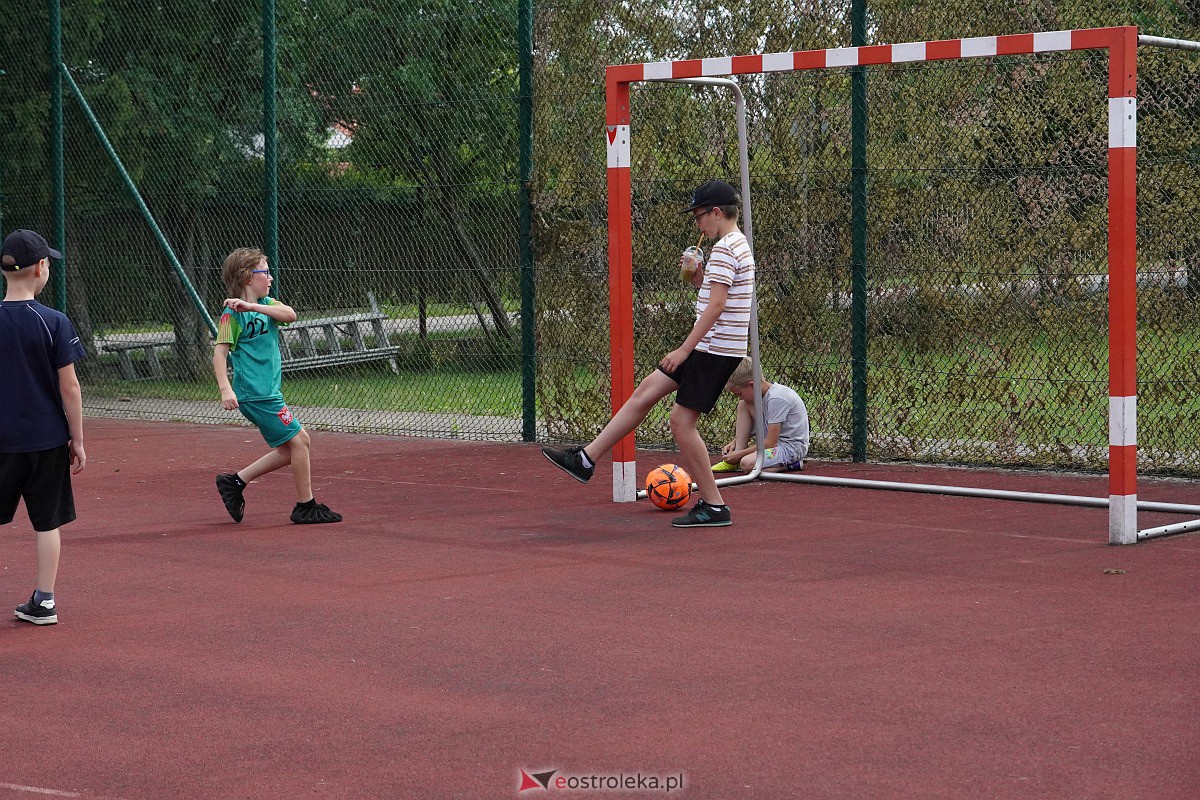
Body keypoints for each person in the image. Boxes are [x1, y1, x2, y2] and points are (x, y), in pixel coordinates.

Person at [542, 180, 755, 527]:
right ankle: (586, 458)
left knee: (681, 423)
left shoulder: (727, 248)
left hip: (713, 349)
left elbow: (717, 308)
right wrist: (698, 278)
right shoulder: (732, 246)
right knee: (646, 391)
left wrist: (684, 350)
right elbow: (718, 296)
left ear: (717, 212)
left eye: (699, 215)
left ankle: (715, 504)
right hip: (710, 346)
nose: (697, 223)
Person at [212, 247, 341, 525]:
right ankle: (305, 505)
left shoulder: (267, 304)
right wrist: (226, 389)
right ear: (248, 276)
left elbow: (291, 314)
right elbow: (219, 354)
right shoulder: (231, 315)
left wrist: (253, 305)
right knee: (300, 441)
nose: (270, 278)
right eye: (265, 273)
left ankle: (235, 482)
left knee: (290, 448)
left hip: (268, 393)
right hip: (255, 395)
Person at [1, 230, 86, 625]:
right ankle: (45, 601)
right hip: (48, 440)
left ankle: (43, 603)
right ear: (40, 269)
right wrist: (78, 440)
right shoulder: (53, 321)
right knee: (46, 521)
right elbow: (69, 386)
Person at [710, 357, 809, 474]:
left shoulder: (777, 398)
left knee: (747, 464)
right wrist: (735, 443)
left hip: (790, 448)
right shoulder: (755, 399)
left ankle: (792, 465)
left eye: (739, 393)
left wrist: (740, 455)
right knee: (743, 404)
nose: (739, 397)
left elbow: (771, 442)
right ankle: (736, 457)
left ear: (752, 385)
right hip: (774, 445)